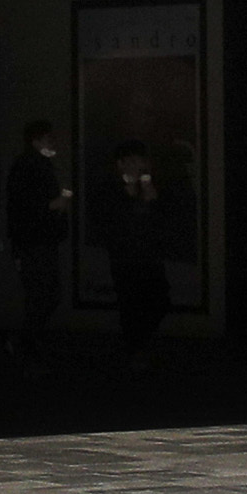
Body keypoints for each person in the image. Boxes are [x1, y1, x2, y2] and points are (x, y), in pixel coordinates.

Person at [98, 144, 180, 368]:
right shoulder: (112, 187)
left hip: (149, 253)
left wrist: (152, 198)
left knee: (159, 300)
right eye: (132, 161)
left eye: (140, 161)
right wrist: (140, 198)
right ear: (121, 164)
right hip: (125, 256)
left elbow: (161, 216)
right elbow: (116, 219)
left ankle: (139, 346)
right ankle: (135, 351)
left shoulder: (149, 185)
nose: (138, 166)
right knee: (131, 304)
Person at [0, 119, 70, 355]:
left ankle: (27, 342)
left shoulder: (36, 165)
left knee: (43, 294)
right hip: (34, 241)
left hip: (37, 239)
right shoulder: (31, 166)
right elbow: (25, 205)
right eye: (49, 138)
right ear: (37, 141)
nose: (54, 142)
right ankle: (27, 343)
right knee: (44, 293)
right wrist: (53, 205)